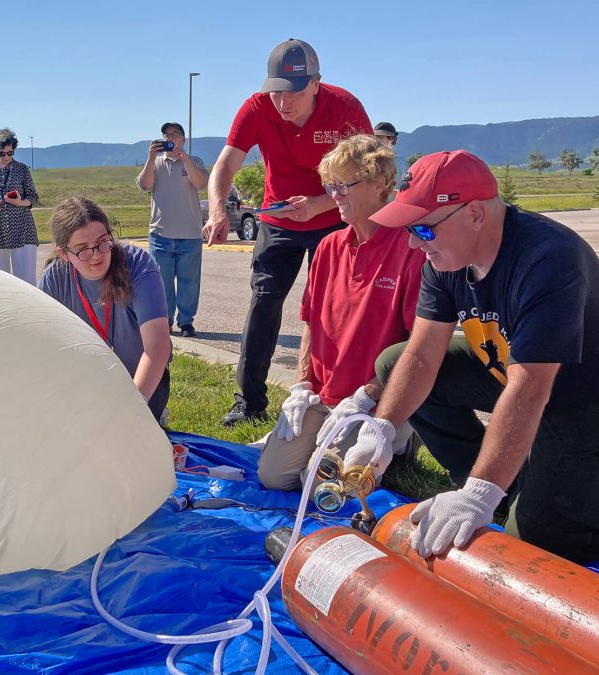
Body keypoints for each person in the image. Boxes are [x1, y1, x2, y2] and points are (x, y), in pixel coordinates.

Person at [342, 149, 599, 564]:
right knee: (394, 363)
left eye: (424, 230)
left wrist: (479, 493)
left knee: (546, 536)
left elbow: (530, 389)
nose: (415, 244)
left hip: (596, 395)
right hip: (514, 370)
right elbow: (420, 356)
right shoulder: (443, 256)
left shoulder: (548, 257)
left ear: (474, 215)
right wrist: (381, 427)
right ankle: (502, 488)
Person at [202, 38, 372, 425]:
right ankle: (249, 401)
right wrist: (217, 210)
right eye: (275, 91)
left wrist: (319, 204)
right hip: (279, 220)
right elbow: (225, 165)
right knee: (264, 302)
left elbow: (366, 173)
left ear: (316, 83)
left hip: (331, 217)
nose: (283, 102)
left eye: (292, 92)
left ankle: (337, 399)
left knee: (331, 308)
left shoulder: (345, 108)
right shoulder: (256, 108)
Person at [258, 134, 425, 492]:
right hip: (325, 395)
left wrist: (369, 395)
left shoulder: (410, 249)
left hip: (374, 399)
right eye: (330, 185)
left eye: (343, 185)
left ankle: (402, 435)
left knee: (321, 489)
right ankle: (333, 434)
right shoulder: (328, 248)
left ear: (379, 185)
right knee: (273, 477)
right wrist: (301, 387)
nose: (334, 195)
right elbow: (310, 324)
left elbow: (418, 345)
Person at [39, 197, 172, 421]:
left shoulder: (138, 265)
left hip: (141, 380)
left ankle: (152, 414)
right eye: (83, 250)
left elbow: (157, 345)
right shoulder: (55, 277)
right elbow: (44, 348)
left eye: (102, 242)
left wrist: (135, 405)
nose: (97, 255)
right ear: (64, 254)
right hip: (85, 382)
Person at [136, 122, 208, 338]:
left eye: (174, 134)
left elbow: (201, 183)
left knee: (189, 282)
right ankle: (164, 322)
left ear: (183, 139)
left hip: (190, 235)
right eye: (166, 135)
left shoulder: (194, 161)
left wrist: (184, 158)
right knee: (162, 282)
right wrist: (150, 158)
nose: (170, 138)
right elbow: (145, 185)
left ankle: (186, 322)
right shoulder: (156, 163)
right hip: (161, 235)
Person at [0, 128, 40, 284]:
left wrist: (20, 202)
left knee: (26, 279)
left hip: (22, 228)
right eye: (2, 153)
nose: (6, 157)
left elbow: (33, 197)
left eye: (10, 153)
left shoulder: (22, 169)